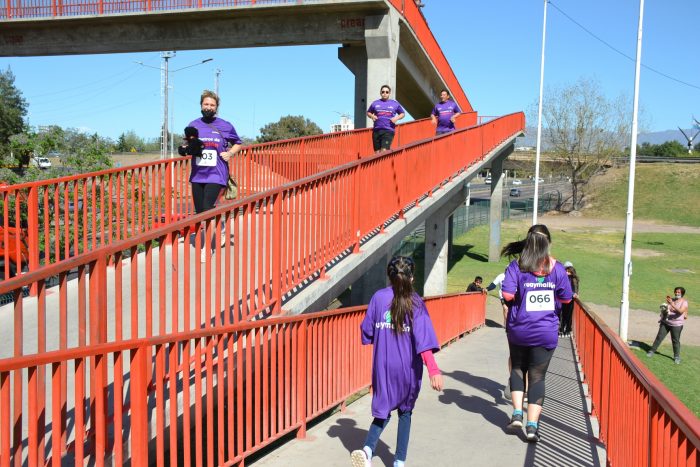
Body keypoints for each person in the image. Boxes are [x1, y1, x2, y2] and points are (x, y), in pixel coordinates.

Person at [351, 256, 443, 467]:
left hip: (383, 367)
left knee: (383, 409)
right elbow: (424, 341)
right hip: (407, 369)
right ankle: (399, 461)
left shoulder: (377, 298)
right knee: (405, 412)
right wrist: (434, 370)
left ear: (390, 276)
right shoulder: (416, 303)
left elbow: (367, 331)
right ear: (412, 277)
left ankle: (367, 450)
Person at [501, 224, 573, 442]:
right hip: (545, 332)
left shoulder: (517, 266)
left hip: (519, 330)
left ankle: (516, 413)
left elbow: (507, 294)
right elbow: (567, 298)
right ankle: (532, 427)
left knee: (517, 368)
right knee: (537, 376)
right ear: (547, 243)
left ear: (529, 242)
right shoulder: (557, 269)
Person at [179, 90, 242, 260]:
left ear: (217, 107)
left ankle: (206, 248)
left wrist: (230, 154)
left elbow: (238, 143)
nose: (208, 107)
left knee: (207, 209)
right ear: (201, 105)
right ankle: (219, 227)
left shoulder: (225, 125)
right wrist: (185, 148)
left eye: (212, 105)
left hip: (217, 174)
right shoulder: (194, 124)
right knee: (200, 213)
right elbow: (187, 143)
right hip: (198, 175)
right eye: (206, 104)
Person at [647, 287, 688, 364]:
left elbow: (680, 311)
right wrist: (664, 309)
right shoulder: (671, 300)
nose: (676, 293)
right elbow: (668, 310)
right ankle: (652, 351)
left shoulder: (684, 302)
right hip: (666, 323)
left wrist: (672, 304)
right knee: (659, 337)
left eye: (679, 292)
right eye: (676, 292)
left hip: (677, 325)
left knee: (675, 340)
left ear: (682, 293)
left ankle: (676, 357)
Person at [366, 85, 405, 153]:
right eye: (383, 92)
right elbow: (368, 112)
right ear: (380, 93)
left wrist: (396, 118)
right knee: (377, 153)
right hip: (376, 130)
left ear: (389, 93)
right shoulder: (375, 103)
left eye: (387, 92)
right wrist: (372, 116)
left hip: (388, 130)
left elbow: (402, 113)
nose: (385, 93)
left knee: (384, 151)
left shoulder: (394, 103)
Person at [558, 262, 579, 337]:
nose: (567, 272)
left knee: (568, 315)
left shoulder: (574, 279)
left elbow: (575, 289)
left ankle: (567, 330)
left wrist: (575, 293)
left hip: (570, 299)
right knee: (562, 315)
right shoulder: (563, 278)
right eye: (566, 270)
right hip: (563, 299)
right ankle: (561, 330)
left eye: (568, 271)